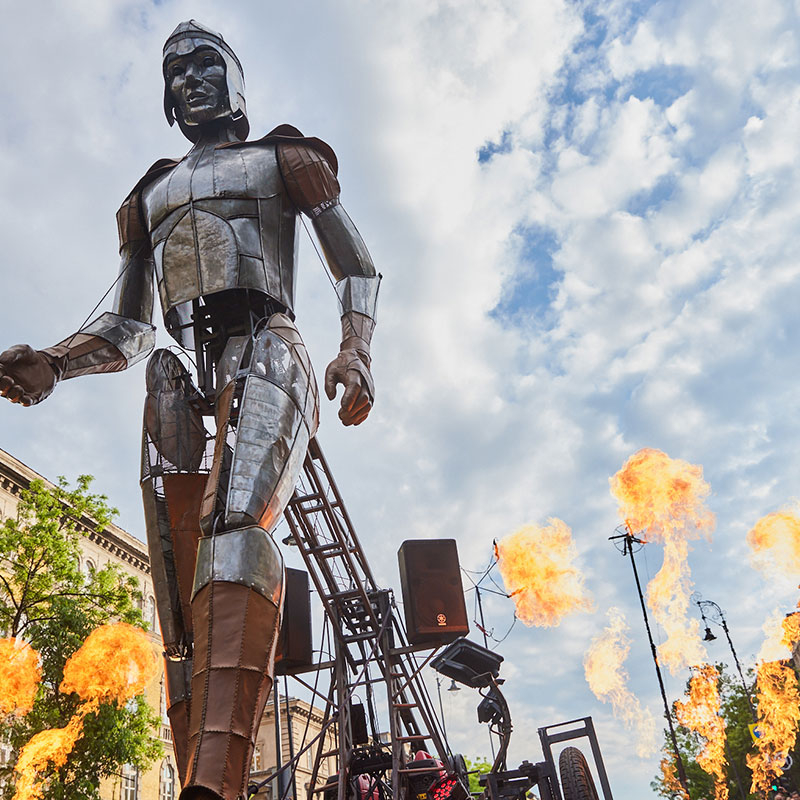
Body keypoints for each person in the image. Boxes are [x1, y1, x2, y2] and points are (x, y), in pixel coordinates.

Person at [0, 20, 379, 800]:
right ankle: (196, 777)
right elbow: (131, 327)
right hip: (187, 369)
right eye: (174, 73)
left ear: (236, 80)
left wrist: (356, 349)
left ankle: (213, 781)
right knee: (176, 578)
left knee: (233, 525)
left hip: (268, 344)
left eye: (205, 63)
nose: (189, 79)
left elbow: (356, 266)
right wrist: (57, 363)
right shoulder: (147, 197)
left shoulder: (285, 159)